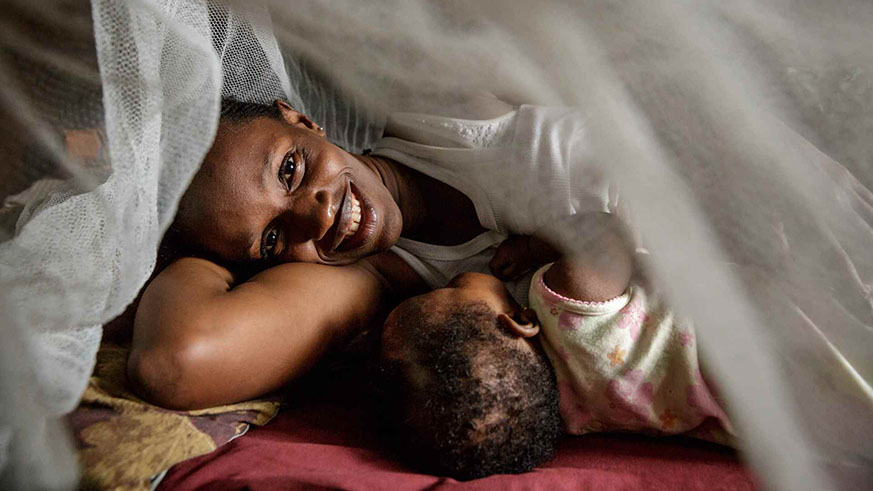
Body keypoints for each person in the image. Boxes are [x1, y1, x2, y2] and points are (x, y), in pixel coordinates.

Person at [129, 96, 614, 409]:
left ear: (303, 120)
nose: (316, 218)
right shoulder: (362, 282)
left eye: (289, 170)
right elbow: (175, 363)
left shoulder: (444, 108)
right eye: (273, 237)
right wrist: (205, 248)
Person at [377, 214, 733, 479]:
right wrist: (534, 247)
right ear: (521, 322)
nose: (447, 280)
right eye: (451, 287)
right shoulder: (564, 300)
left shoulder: (573, 419)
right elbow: (609, 235)